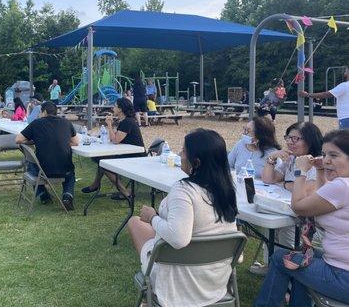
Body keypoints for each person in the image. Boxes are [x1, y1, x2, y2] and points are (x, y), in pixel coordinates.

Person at [127, 129, 238, 307]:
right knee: (141, 225)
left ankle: (151, 294)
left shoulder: (185, 191)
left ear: (197, 162)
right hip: (214, 281)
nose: (180, 154)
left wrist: (153, 217)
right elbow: (234, 247)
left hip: (180, 281)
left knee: (135, 222)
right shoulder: (226, 190)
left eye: (184, 151)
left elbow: (179, 239)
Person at [255, 129, 349, 306]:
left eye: (334, 155)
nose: (327, 159)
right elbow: (322, 201)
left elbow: (299, 207)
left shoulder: (341, 186)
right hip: (342, 267)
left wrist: (301, 172)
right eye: (324, 154)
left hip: (342, 275)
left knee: (280, 258)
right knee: (300, 260)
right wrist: (321, 171)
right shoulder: (342, 185)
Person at [252, 122, 323, 275]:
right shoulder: (292, 159)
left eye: (295, 139)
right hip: (285, 205)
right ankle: (272, 266)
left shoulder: (315, 162)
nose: (290, 142)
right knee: (270, 228)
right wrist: (271, 158)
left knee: (286, 233)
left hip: (306, 217)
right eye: (288, 138)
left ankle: (286, 272)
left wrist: (284, 183)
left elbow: (307, 190)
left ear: (310, 141)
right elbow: (269, 179)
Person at [15, 101, 79, 210]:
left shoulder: (36, 123)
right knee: (70, 175)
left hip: (42, 171)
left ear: (44, 112)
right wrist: (60, 141)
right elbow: (76, 142)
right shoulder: (66, 123)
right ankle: (67, 196)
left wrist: (35, 141)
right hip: (64, 169)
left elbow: (18, 139)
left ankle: (43, 195)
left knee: (30, 164)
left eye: (40, 112)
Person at [81, 98, 146, 200]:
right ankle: (95, 184)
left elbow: (115, 140)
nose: (113, 108)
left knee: (104, 163)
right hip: (128, 153)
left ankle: (125, 193)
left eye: (115, 106)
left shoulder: (127, 122)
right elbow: (114, 139)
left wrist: (109, 125)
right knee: (101, 159)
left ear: (120, 109)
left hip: (135, 157)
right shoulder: (125, 121)